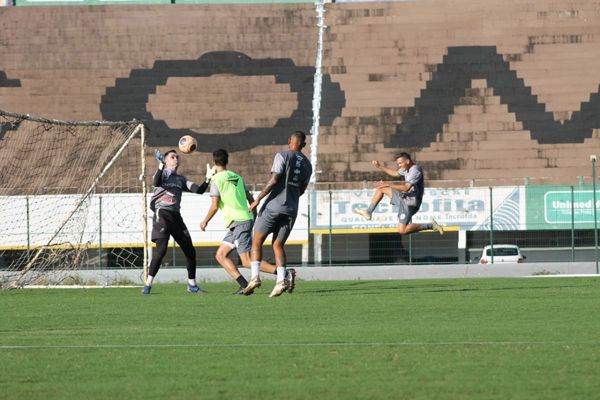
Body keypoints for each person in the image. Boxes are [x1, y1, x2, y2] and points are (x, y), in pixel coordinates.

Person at [199, 149, 282, 295]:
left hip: (239, 222)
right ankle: (244, 285)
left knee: (247, 262)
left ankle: (284, 274)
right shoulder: (237, 177)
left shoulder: (216, 180)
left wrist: (205, 221)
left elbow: (215, 205)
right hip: (239, 221)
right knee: (221, 255)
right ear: (227, 161)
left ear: (214, 162)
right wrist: (252, 218)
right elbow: (251, 200)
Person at [245, 131, 312, 297]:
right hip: (291, 210)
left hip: (273, 207)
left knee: (257, 241)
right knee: (277, 245)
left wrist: (258, 199)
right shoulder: (308, 165)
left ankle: (255, 277)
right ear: (303, 145)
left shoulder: (282, 156)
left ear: (289, 141)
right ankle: (281, 280)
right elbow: (302, 189)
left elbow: (275, 179)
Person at [142, 149, 215, 295]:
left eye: (177, 157)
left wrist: (207, 179)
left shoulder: (181, 179)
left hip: (176, 216)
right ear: (166, 160)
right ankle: (148, 284)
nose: (176, 159)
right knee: (161, 251)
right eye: (172, 157)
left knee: (190, 251)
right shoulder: (163, 174)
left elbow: (199, 190)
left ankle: (192, 285)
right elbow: (156, 182)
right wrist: (161, 165)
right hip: (162, 214)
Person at [354, 152, 444, 236]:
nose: (399, 166)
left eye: (400, 163)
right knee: (382, 189)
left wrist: (388, 184)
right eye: (398, 164)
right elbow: (396, 173)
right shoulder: (406, 168)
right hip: (404, 198)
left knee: (402, 231)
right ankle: (369, 212)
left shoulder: (415, 171)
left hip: (410, 204)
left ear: (407, 161)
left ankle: (431, 225)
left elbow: (406, 187)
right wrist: (380, 167)